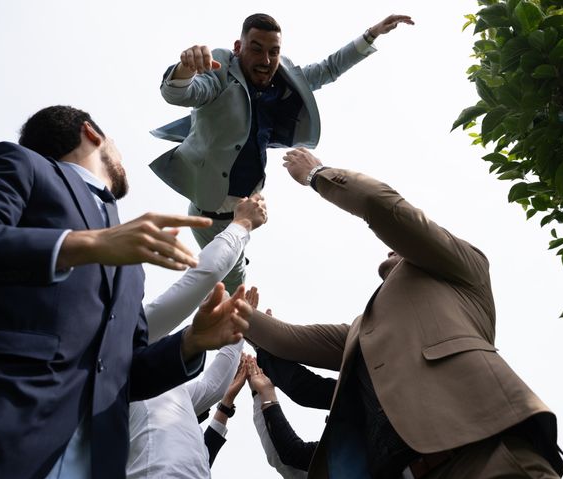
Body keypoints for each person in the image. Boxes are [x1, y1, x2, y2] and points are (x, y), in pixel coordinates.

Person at [0, 105, 251, 479]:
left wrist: (190, 342)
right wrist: (85, 244)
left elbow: (123, 375)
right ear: (92, 134)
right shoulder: (23, 165)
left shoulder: (129, 261)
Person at [245, 147, 563, 479]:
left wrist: (316, 175)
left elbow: (384, 208)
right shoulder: (361, 331)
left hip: (485, 459)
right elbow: (286, 340)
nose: (389, 245)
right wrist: (224, 299)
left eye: (399, 243)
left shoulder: (462, 268)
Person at [149, 12, 414, 292]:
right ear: (238, 48)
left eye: (273, 52)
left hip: (244, 212)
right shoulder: (222, 70)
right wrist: (185, 68)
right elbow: (183, 93)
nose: (266, 61)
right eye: (257, 49)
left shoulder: (283, 79)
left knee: (235, 290)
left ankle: (230, 320)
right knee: (227, 287)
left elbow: (328, 69)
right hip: (209, 213)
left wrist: (371, 34)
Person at [128, 196, 266, 479]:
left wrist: (239, 325)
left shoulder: (170, 387)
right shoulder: (119, 340)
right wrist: (241, 224)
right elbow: (203, 276)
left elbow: (215, 386)